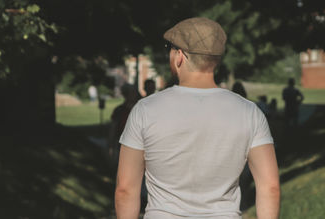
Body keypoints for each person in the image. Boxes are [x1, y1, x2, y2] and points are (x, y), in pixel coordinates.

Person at [115, 17, 280, 219]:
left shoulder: (145, 110)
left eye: (170, 47)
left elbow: (125, 190)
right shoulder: (249, 112)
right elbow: (270, 187)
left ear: (180, 57)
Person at [108, 83, 140, 165]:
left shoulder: (141, 109)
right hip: (124, 146)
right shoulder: (119, 110)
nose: (134, 95)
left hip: (140, 147)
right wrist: (111, 147)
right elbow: (113, 129)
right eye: (131, 92)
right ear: (126, 94)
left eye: (134, 92)